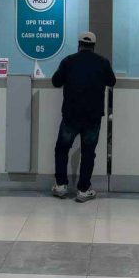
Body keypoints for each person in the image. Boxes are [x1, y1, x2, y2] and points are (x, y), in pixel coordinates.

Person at [51, 31, 116, 202]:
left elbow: (56, 81)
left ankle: (61, 186)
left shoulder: (68, 61)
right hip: (93, 116)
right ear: (94, 46)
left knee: (62, 148)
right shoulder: (102, 62)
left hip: (71, 114)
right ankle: (83, 189)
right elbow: (112, 82)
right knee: (88, 153)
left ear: (79, 44)